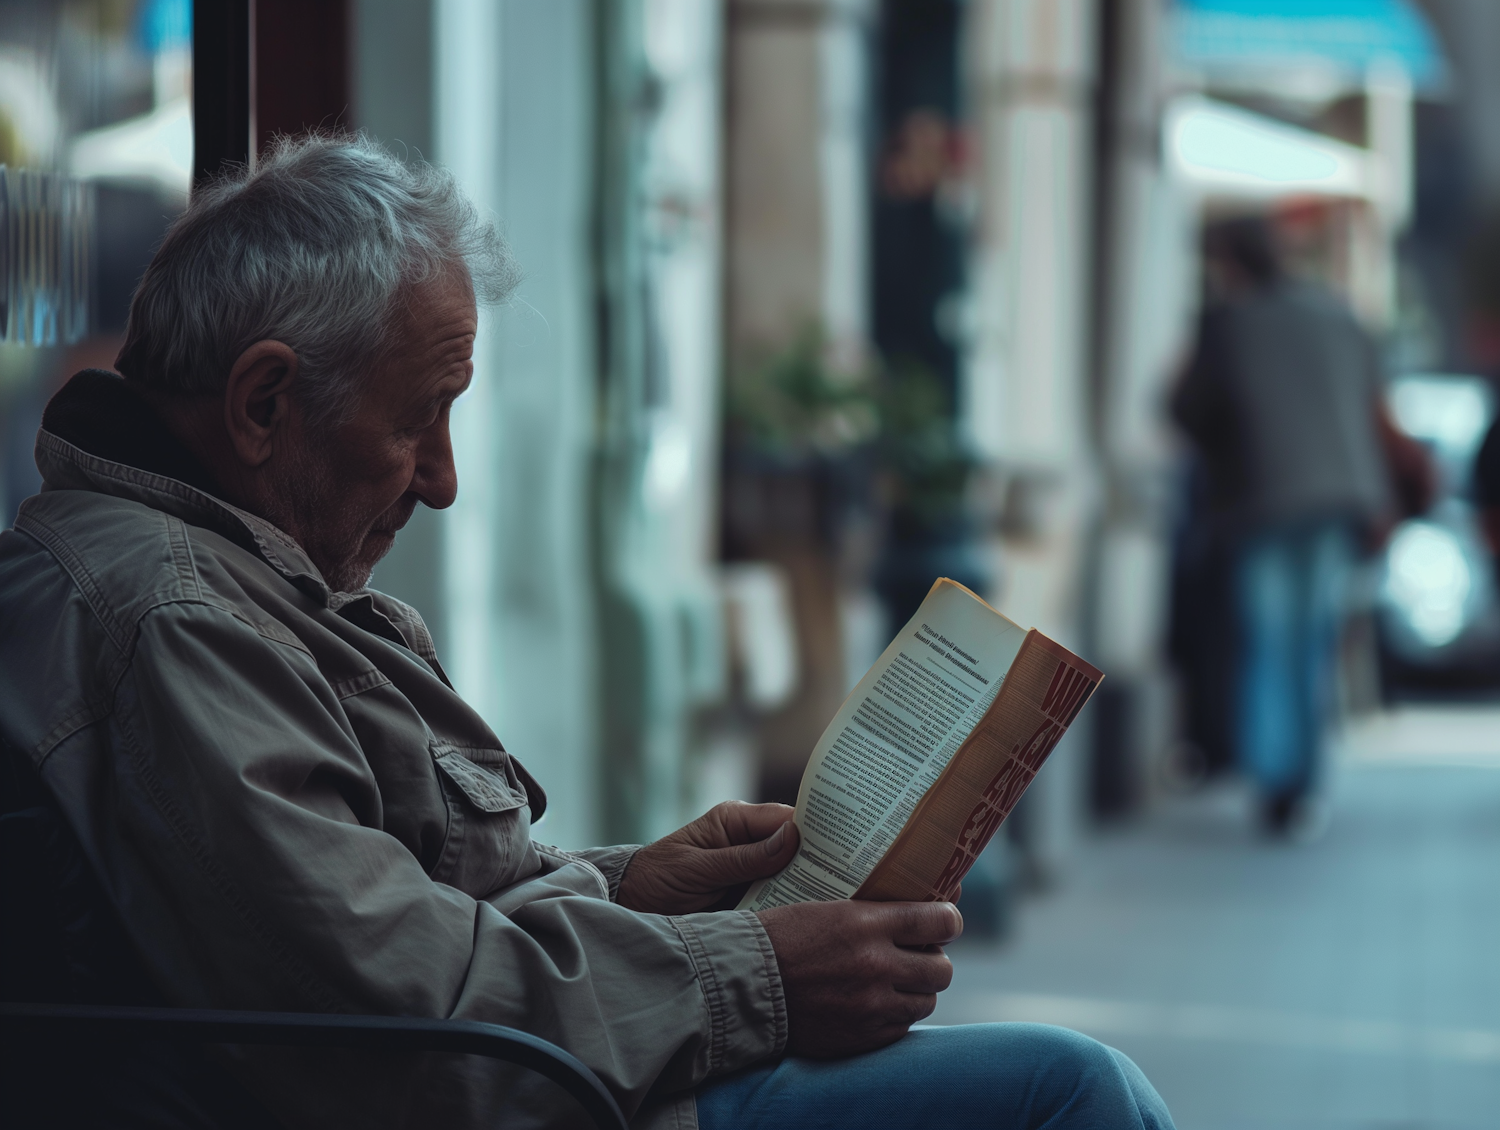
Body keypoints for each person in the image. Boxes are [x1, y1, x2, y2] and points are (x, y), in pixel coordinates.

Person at [0, 135, 1173, 1129]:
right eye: (420, 422)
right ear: (262, 403)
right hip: (544, 1093)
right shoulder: (174, 614)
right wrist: (756, 976)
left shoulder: (226, 571)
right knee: (1070, 1091)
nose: (443, 480)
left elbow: (402, 912)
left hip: (558, 1068)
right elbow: (390, 1011)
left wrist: (635, 884)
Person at [1172, 217, 1392, 837]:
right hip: (1335, 498)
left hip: (1263, 498)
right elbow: (1370, 402)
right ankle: (1304, 779)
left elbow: (1186, 409)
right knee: (1311, 639)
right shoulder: (1338, 314)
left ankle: (1275, 782)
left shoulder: (1229, 323)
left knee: (1267, 637)